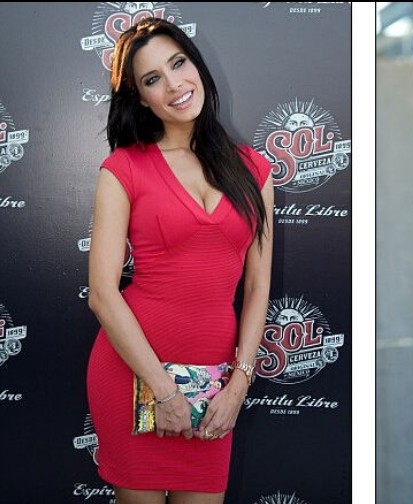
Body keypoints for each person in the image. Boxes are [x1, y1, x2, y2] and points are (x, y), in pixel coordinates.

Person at [86, 18, 273, 504]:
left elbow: (257, 287)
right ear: (140, 97)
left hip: (216, 385)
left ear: (197, 65)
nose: (173, 85)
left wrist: (238, 386)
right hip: (133, 376)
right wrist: (164, 391)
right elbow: (103, 294)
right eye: (153, 79)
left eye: (178, 63)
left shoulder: (254, 170)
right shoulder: (123, 169)